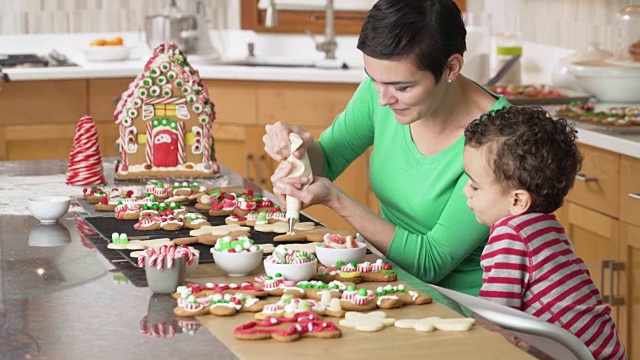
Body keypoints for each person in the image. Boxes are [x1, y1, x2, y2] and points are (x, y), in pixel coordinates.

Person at [262, 0, 509, 296]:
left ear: (451, 67)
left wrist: (335, 200)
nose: (382, 99)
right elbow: (326, 160)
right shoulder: (383, 90)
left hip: (466, 306)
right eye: (373, 80)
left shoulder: (501, 139)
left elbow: (430, 262)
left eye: (402, 88)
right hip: (390, 280)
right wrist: (298, 150)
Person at [463, 106, 626, 359]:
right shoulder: (547, 229)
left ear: (517, 201)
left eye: (474, 185)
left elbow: (492, 320)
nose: (466, 191)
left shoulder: (510, 235)